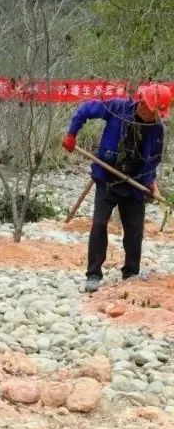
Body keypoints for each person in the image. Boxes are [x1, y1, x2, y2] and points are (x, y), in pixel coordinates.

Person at [62, 84, 170, 293]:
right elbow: (85, 109)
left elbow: (154, 159)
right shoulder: (117, 109)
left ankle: (131, 274)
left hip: (134, 184)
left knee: (135, 231)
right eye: (153, 110)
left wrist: (149, 182)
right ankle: (93, 274)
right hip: (107, 178)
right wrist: (71, 134)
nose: (155, 116)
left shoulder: (158, 128)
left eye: (159, 113)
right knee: (99, 223)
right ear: (143, 103)